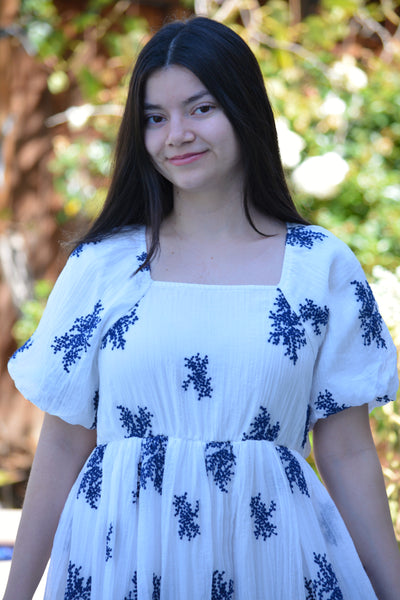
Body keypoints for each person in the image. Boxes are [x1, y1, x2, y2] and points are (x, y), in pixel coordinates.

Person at [4, 16, 400, 600]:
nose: (176, 135)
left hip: (273, 562)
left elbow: (345, 450)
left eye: (201, 108)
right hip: (123, 563)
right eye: (154, 118)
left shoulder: (320, 267)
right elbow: (63, 444)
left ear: (245, 110)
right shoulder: (103, 266)